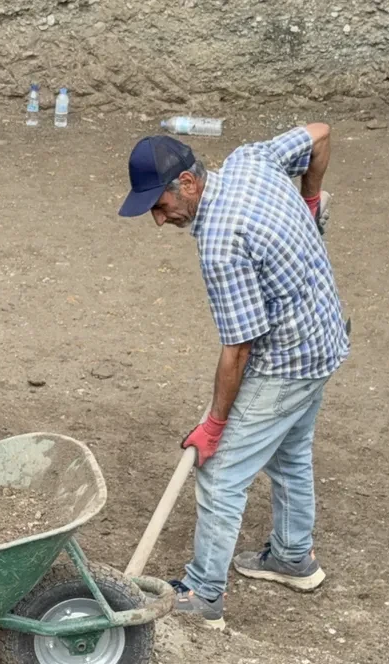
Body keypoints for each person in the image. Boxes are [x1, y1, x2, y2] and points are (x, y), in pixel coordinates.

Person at [117, 125, 349, 630]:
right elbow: (320, 133)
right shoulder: (251, 161)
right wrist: (309, 200)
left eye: (159, 205)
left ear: (187, 183)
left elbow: (239, 348)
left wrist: (216, 425)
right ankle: (291, 556)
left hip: (287, 360)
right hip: (325, 336)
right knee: (290, 452)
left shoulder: (222, 242)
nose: (159, 220)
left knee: (220, 475)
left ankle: (203, 594)